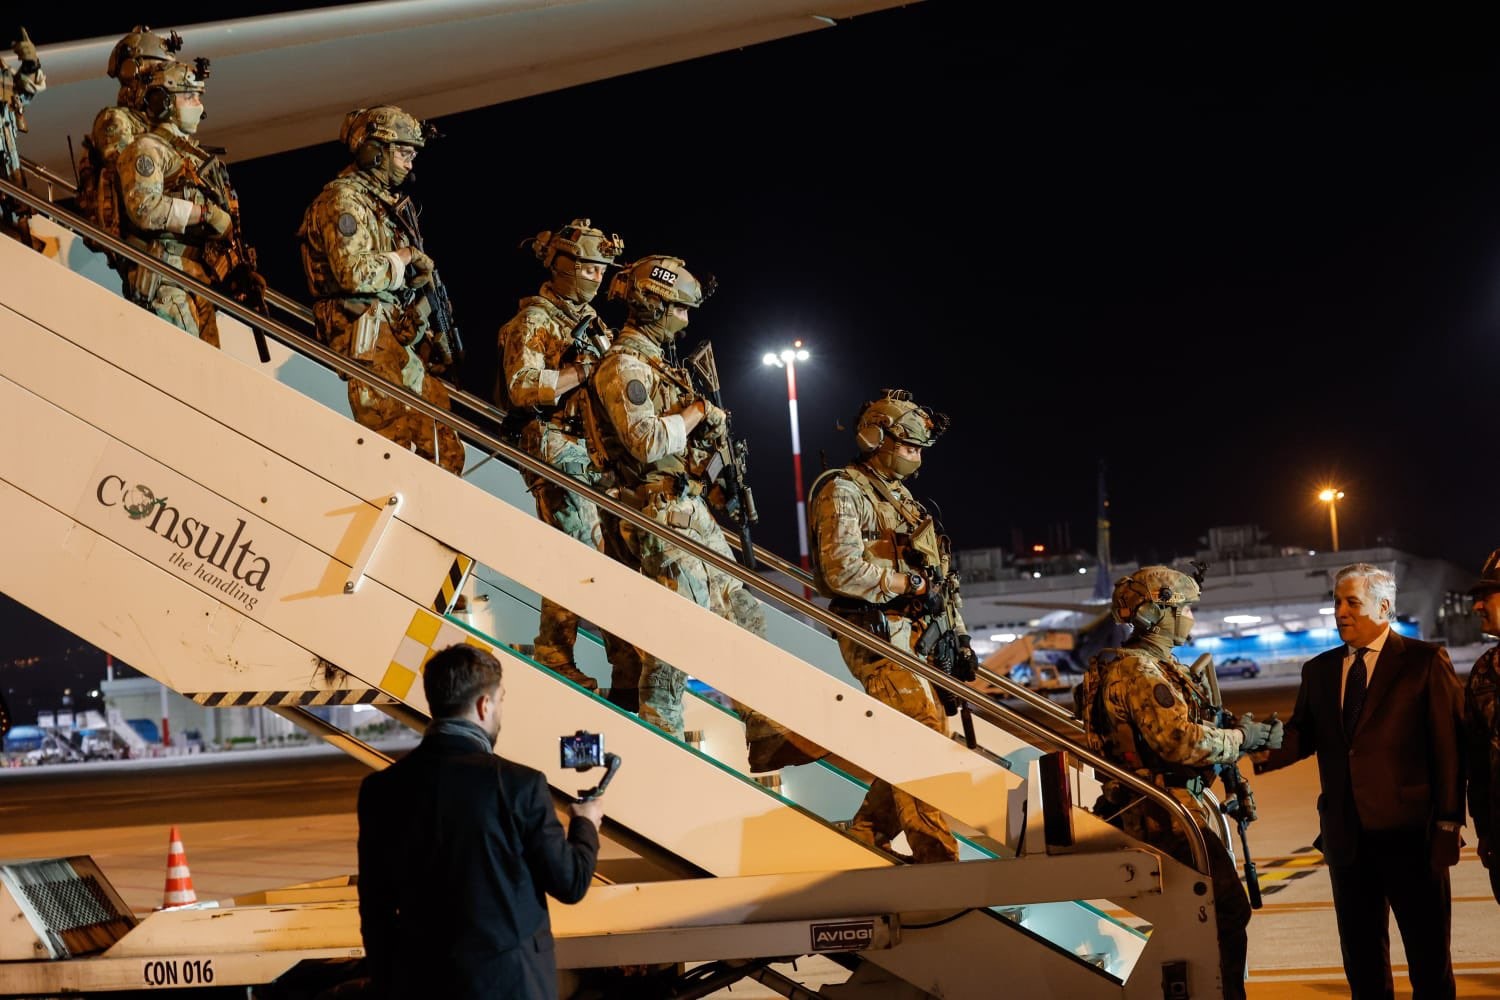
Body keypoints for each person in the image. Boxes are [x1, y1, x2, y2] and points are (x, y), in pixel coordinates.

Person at [587, 254, 821, 771]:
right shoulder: (623, 365)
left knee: (744, 611)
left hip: (686, 507)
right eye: (678, 308)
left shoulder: (658, 366)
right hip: (655, 510)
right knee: (676, 633)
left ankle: (765, 731)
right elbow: (646, 442)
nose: (685, 318)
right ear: (652, 305)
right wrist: (695, 412)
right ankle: (660, 739)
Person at [1258, 562, 1464, 1000]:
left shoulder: (1425, 662)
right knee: (1363, 963)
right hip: (1347, 838)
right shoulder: (1319, 670)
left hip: (1412, 837)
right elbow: (1301, 735)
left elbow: (1449, 748)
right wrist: (1251, 744)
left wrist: (1449, 823)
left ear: (1384, 607)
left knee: (1429, 959)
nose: (1340, 612)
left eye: (1352, 602)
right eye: (1337, 602)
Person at [1080, 565, 1281, 1000]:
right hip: (1161, 816)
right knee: (1226, 911)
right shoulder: (1139, 672)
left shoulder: (1157, 666)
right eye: (1185, 608)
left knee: (1200, 917)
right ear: (1156, 614)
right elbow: (1180, 741)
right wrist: (1243, 739)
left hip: (1166, 807)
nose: (1190, 616)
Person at [357, 643, 601, 999]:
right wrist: (585, 824)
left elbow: (375, 909)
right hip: (511, 986)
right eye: (500, 701)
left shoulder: (381, 791)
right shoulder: (519, 785)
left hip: (422, 985)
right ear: (484, 705)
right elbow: (570, 882)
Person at [805, 388, 979, 862]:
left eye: (919, 448)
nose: (914, 456)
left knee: (927, 733)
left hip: (920, 636)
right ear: (875, 438)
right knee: (920, 733)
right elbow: (840, 571)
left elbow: (941, 577)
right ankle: (937, 856)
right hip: (876, 632)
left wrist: (961, 636)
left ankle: (867, 831)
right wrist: (909, 583)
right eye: (907, 445)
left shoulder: (904, 501)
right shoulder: (844, 490)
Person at [497, 219, 642, 708]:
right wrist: (582, 370)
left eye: (603, 269)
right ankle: (554, 653)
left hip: (596, 453)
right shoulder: (534, 320)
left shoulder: (592, 322)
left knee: (619, 555)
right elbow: (522, 387)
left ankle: (627, 668)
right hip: (556, 447)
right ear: (564, 266)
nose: (598, 277)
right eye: (589, 267)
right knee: (577, 551)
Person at [299, 105, 463, 474]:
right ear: (374, 151)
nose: (410, 163)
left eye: (413, 154)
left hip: (395, 335)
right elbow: (352, 273)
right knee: (391, 441)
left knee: (445, 450)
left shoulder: (386, 205)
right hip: (366, 332)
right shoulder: (343, 200)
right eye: (403, 152)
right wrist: (405, 257)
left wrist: (428, 325)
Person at [116, 58, 248, 348]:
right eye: (189, 97)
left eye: (198, 97)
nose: (198, 105)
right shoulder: (147, 149)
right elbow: (144, 208)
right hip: (164, 278)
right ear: (163, 102)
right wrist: (205, 214)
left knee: (207, 368)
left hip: (195, 279)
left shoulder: (190, 156)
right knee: (183, 364)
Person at [77, 25, 180, 241]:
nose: (165, 77)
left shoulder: (154, 121)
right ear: (132, 71)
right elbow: (128, 167)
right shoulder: (115, 119)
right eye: (158, 69)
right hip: (134, 232)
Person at [1464, 549, 1500, 906]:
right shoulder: (1484, 671)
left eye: (1486, 595)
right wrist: (1485, 830)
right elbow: (1476, 760)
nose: (1477, 606)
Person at [0, 26, 45, 245]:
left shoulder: (2, 72)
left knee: (19, 209)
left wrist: (31, 64)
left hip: (8, 157)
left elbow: (24, 92)